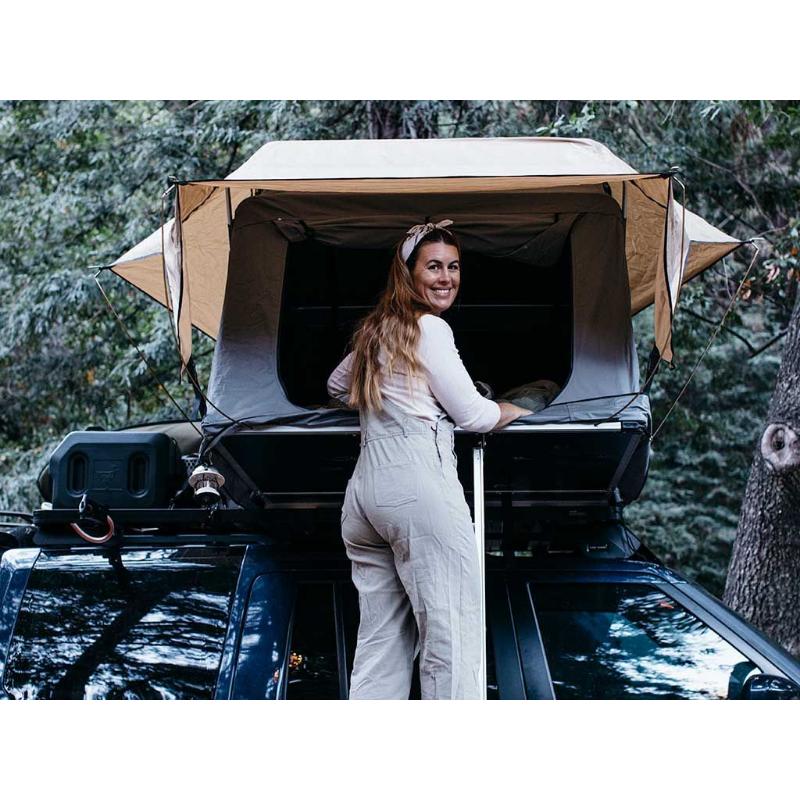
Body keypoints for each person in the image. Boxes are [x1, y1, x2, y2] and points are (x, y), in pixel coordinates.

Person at [327, 221, 530, 700]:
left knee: (381, 643)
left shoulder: (376, 331)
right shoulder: (430, 328)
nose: (446, 277)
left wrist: (385, 398)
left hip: (365, 496)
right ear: (408, 274)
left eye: (454, 267)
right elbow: (475, 415)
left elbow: (336, 388)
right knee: (452, 636)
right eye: (433, 266)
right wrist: (515, 409)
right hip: (418, 483)